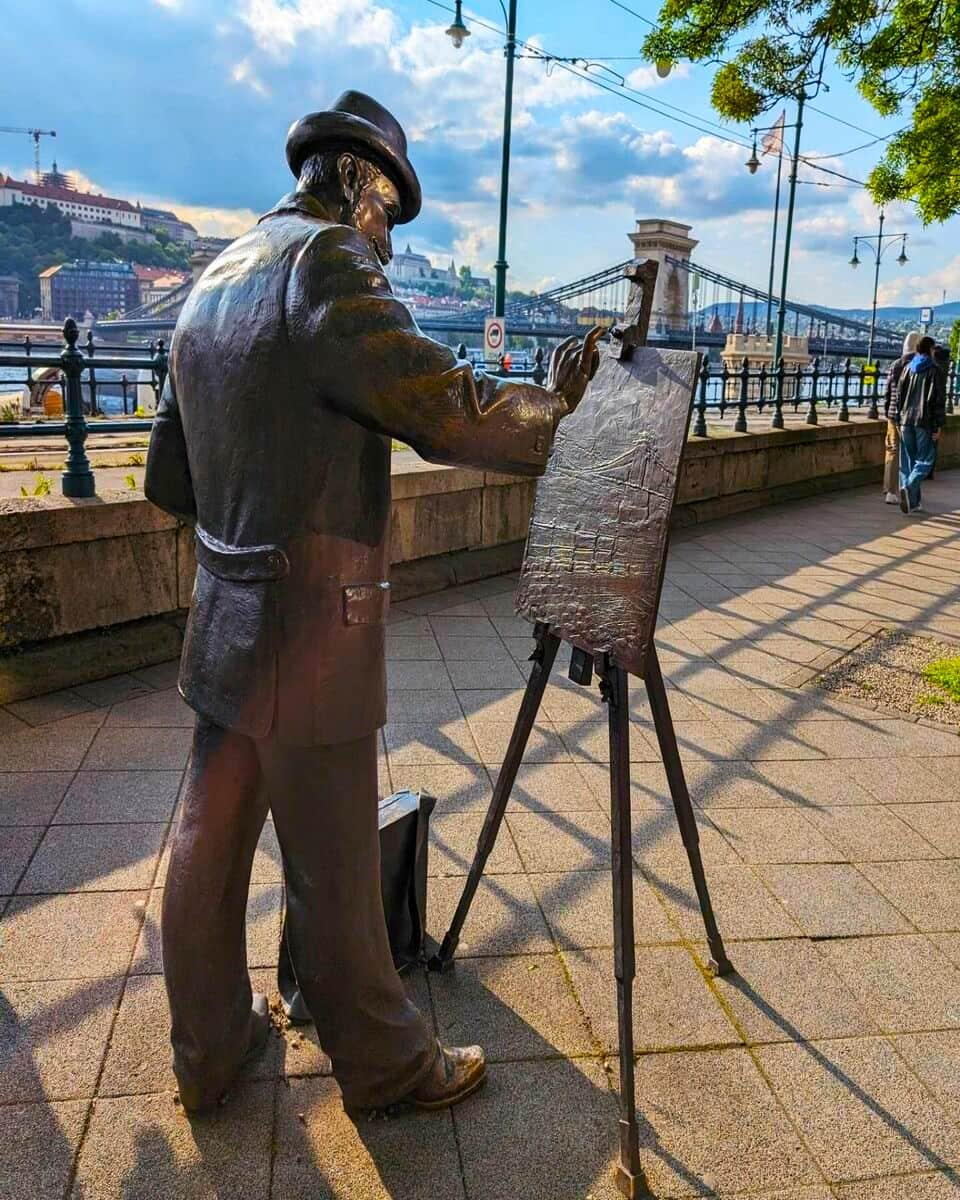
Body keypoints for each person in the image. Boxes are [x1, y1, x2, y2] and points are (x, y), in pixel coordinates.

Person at [144, 91, 601, 1118]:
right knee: (339, 862)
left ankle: (208, 1049)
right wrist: (559, 413)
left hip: (224, 604)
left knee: (204, 844)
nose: (389, 242)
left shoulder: (212, 277)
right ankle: (388, 1068)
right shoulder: (326, 263)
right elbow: (443, 404)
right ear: (357, 182)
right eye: (390, 213)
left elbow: (168, 480)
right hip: (310, 617)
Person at [897, 334, 946, 514]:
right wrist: (938, 426)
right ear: (930, 349)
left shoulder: (908, 368)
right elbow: (938, 400)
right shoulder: (935, 370)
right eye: (934, 349)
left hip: (905, 420)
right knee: (925, 460)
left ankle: (914, 503)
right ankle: (909, 486)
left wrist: (897, 418)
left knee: (908, 462)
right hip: (923, 421)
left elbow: (899, 396)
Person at [882, 330, 919, 503]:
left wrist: (887, 410)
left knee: (892, 450)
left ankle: (890, 491)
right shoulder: (920, 366)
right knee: (910, 453)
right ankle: (908, 490)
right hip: (910, 416)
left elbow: (888, 391)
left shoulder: (895, 364)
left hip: (892, 414)